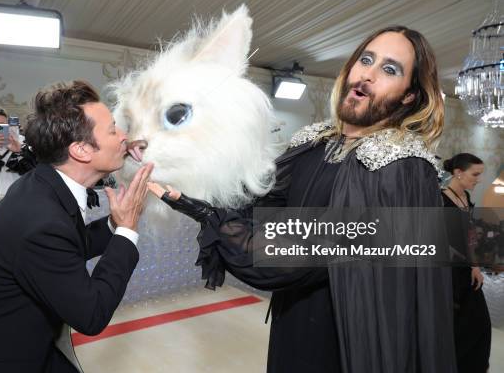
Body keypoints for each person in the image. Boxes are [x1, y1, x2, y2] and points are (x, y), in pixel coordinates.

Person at [149, 26, 456, 372]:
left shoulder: (399, 166)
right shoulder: (313, 143)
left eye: (389, 69)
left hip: (351, 339)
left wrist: (210, 217)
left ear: (409, 97)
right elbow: (257, 203)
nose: (368, 74)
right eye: (365, 60)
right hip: (295, 322)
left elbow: (295, 256)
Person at [0, 80, 153, 372]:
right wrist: (126, 232)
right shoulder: (41, 219)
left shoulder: (45, 184)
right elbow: (91, 314)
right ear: (81, 150)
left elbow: (66, 245)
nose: (124, 136)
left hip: (9, 341)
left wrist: (113, 223)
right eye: (113, 129)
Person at [442, 153, 491, 373]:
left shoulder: (466, 199)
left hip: (466, 269)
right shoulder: (440, 199)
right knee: (458, 326)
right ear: (458, 173)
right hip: (449, 274)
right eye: (475, 174)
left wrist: (475, 265)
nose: (478, 179)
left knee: (479, 324)